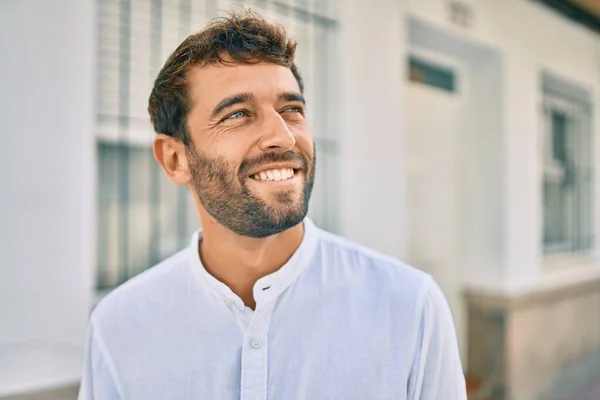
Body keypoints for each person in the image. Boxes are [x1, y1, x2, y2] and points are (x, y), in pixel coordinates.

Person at [78, 10, 466, 400]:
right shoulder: (119, 328)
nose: (282, 137)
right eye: (238, 114)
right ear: (176, 159)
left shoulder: (410, 307)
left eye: (291, 110)